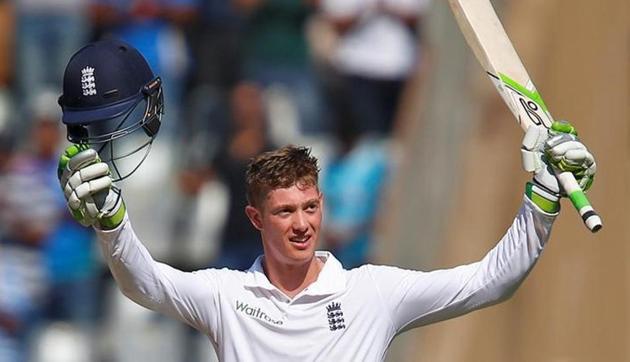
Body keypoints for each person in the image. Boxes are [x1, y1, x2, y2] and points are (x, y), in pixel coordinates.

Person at [57, 40, 597, 360]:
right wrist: (112, 222)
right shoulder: (226, 295)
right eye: (285, 211)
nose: (301, 224)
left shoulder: (373, 292)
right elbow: (143, 282)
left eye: (310, 207)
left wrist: (543, 196)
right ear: (255, 219)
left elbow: (491, 281)